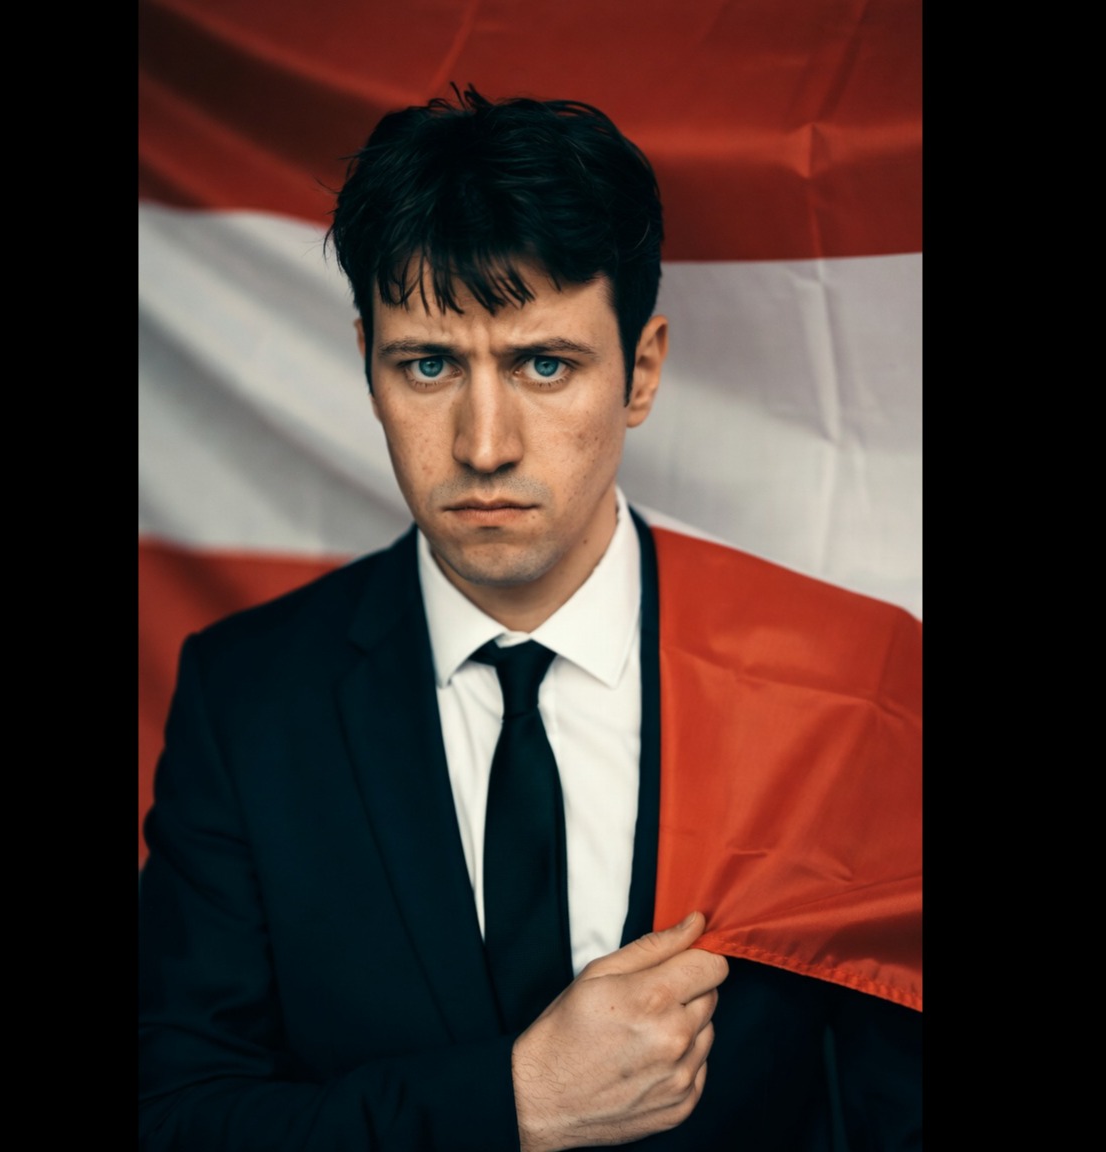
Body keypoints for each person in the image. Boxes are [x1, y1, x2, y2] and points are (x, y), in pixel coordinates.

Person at [138, 87, 922, 1151]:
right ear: (367, 364)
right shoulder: (246, 701)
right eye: (429, 365)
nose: (484, 445)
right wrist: (510, 1102)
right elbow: (175, 1116)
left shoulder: (846, 682)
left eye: (544, 364)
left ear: (641, 372)